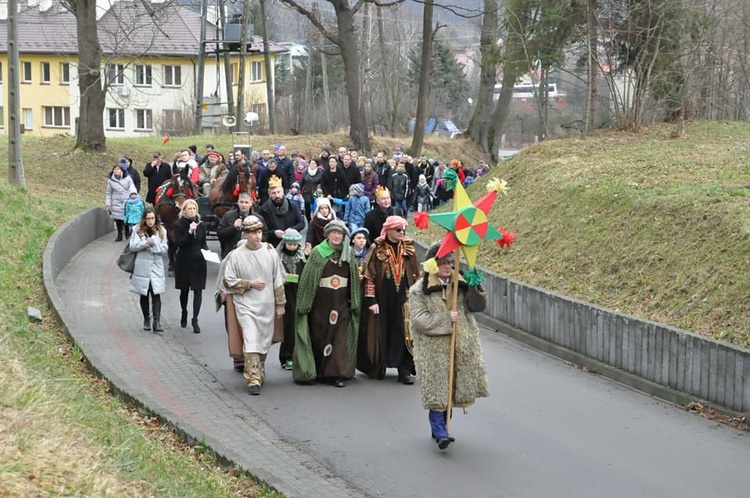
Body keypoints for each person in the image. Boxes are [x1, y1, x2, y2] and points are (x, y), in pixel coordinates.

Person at [409, 242, 490, 450]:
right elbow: (418, 319)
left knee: (452, 389)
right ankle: (440, 432)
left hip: (459, 345)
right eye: (442, 262)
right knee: (437, 390)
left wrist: (475, 285)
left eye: (450, 262)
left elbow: (477, 306)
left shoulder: (460, 284)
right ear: (433, 264)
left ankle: (444, 426)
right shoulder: (420, 290)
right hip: (434, 349)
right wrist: (446, 319)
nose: (447, 266)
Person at [222, 215, 286, 395]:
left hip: (266, 305)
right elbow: (228, 281)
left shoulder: (270, 252)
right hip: (246, 305)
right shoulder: (236, 255)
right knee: (250, 338)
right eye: (252, 233)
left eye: (259, 232)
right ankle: (253, 379)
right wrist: (249, 283)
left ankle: (260, 368)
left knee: (263, 340)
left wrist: (280, 304)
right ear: (245, 234)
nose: (257, 236)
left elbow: (278, 278)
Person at [293, 220, 361, 388]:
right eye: (334, 233)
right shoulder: (318, 253)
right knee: (320, 336)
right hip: (321, 304)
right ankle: (320, 371)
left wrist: (354, 300)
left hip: (342, 303)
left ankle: (337, 374)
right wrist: (306, 303)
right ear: (328, 234)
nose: (337, 236)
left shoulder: (348, 253)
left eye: (340, 233)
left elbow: (353, 279)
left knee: (340, 339)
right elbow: (308, 280)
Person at [358, 216, 421, 383]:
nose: (401, 233)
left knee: (404, 332)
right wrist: (371, 300)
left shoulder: (409, 247)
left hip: (404, 298)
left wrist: (415, 296)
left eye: (403, 230)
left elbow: (416, 273)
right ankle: (378, 366)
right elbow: (369, 276)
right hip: (382, 298)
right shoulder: (376, 247)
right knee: (380, 331)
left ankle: (404, 370)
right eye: (398, 230)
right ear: (388, 230)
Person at [128, 207, 168, 332]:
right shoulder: (137, 230)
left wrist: (158, 247)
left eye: (152, 218)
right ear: (144, 219)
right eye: (148, 219)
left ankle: (157, 322)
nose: (150, 221)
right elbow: (132, 246)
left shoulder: (162, 231)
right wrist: (144, 244)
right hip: (142, 266)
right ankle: (146, 319)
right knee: (144, 294)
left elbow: (165, 248)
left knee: (156, 294)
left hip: (156, 266)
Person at [173, 198, 208, 333]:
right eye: (189, 209)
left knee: (198, 291)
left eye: (194, 209)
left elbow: (203, 243)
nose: (192, 211)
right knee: (184, 290)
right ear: (184, 211)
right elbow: (180, 243)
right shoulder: (179, 225)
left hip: (199, 262)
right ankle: (184, 311)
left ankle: (195, 319)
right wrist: (188, 232)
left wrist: (207, 252)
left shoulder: (201, 225)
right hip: (184, 261)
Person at [277, 229, 306, 370]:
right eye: (289, 244)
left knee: (300, 326)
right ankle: (286, 356)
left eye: (295, 245)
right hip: (286, 295)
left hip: (299, 294)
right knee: (288, 327)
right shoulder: (279, 258)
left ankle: (299, 356)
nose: (292, 247)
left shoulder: (302, 258)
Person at [257, 178, 306, 248]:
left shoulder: (292, 206)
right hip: (271, 245)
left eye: (278, 192)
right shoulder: (264, 210)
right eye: (273, 193)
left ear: (283, 192)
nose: (277, 195)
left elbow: (301, 223)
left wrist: (292, 229)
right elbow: (260, 230)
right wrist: (273, 233)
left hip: (290, 245)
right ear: (269, 194)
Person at [216, 192, 258, 259]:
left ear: (251, 203)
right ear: (238, 202)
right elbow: (220, 233)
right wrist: (233, 227)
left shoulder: (257, 218)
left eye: (246, 202)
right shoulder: (228, 216)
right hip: (232, 253)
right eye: (241, 202)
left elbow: (265, 235)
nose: (243, 205)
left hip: (251, 254)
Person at [105, 163, 135, 242]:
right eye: (115, 169)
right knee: (118, 219)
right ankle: (119, 235)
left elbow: (131, 187)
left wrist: (133, 194)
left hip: (126, 200)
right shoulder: (111, 180)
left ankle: (127, 231)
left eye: (118, 169)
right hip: (116, 201)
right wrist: (108, 204)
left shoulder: (127, 178)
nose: (116, 171)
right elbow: (108, 192)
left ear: (121, 170)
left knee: (126, 218)